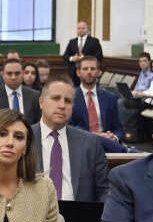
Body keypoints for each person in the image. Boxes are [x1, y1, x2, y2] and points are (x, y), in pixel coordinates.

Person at [32, 75, 109, 203]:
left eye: (68, 101)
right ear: (41, 102)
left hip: (79, 218)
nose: (62, 105)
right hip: (32, 218)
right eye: (56, 98)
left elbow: (104, 190)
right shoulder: (24, 138)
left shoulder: (90, 143)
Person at [69, 56, 124, 145]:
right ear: (78, 73)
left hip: (108, 143)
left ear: (98, 72)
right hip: (82, 143)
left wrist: (114, 138)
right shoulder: (70, 97)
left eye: (93, 69)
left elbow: (119, 129)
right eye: (85, 69)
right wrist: (94, 135)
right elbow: (69, 127)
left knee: (137, 155)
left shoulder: (110, 98)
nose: (89, 72)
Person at [0, 58, 41, 124]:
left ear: (22, 74)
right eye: (9, 73)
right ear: (3, 75)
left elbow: (39, 123)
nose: (13, 77)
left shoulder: (35, 96)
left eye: (17, 73)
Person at [62, 21, 103, 86]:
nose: (80, 30)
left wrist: (86, 58)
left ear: (87, 30)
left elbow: (99, 56)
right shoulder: (72, 41)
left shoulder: (94, 41)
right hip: (73, 73)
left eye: (83, 28)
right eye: (79, 28)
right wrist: (72, 58)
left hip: (88, 73)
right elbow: (65, 56)